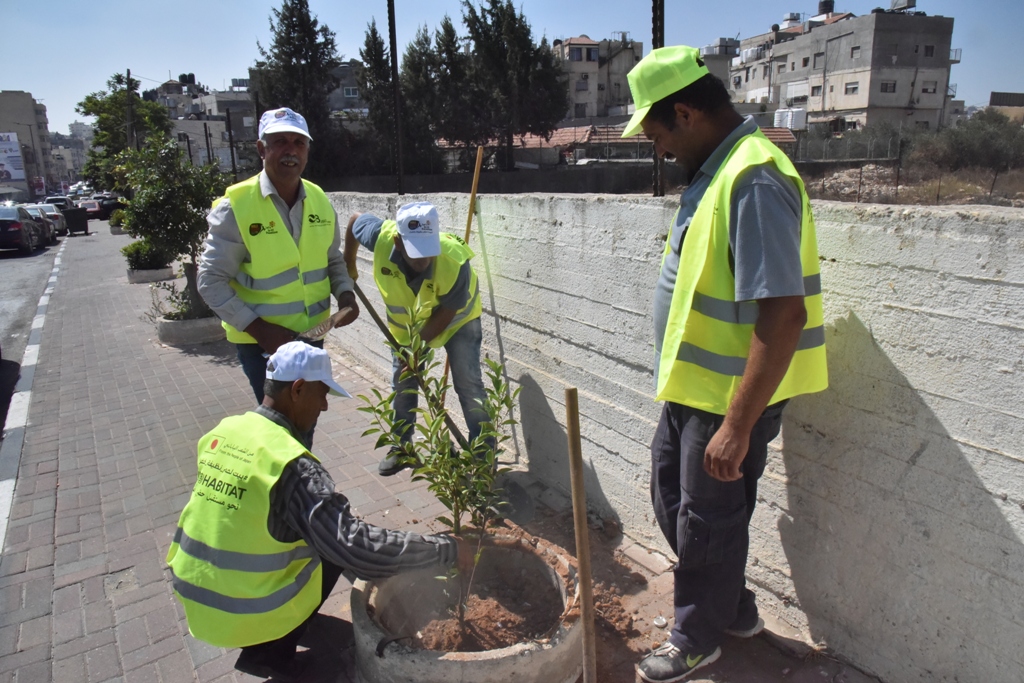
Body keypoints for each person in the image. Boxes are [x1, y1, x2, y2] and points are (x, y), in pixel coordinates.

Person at [621, 46, 828, 682]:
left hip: (727, 399)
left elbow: (782, 315)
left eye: (656, 132)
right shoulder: (718, 172)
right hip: (694, 388)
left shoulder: (753, 177)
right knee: (675, 499)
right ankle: (732, 608)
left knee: (706, 517)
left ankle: (696, 637)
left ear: (685, 112)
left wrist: (738, 425)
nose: (656, 147)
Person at [166, 341, 472, 681]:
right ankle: (270, 652)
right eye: (322, 394)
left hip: (195, 594)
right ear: (298, 389)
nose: (325, 406)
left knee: (319, 529)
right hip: (241, 612)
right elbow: (354, 545)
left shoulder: (224, 431)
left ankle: (271, 640)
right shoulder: (291, 466)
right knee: (334, 546)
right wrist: (447, 550)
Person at [197, 107, 359, 405]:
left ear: (308, 150)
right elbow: (210, 281)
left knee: (307, 413)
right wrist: (260, 329)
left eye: (299, 143)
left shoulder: (320, 199)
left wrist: (345, 293)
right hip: (261, 343)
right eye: (280, 141)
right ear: (262, 148)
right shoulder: (236, 206)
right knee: (280, 422)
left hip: (312, 337)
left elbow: (332, 259)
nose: (291, 151)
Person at [344, 202, 488, 476]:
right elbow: (354, 220)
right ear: (398, 242)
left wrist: (416, 349)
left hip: (458, 320)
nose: (424, 260)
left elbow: (447, 312)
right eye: (416, 253)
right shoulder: (382, 237)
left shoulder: (453, 260)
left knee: (468, 384)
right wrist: (348, 262)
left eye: (428, 251)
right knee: (403, 383)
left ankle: (483, 456)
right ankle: (402, 448)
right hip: (409, 329)